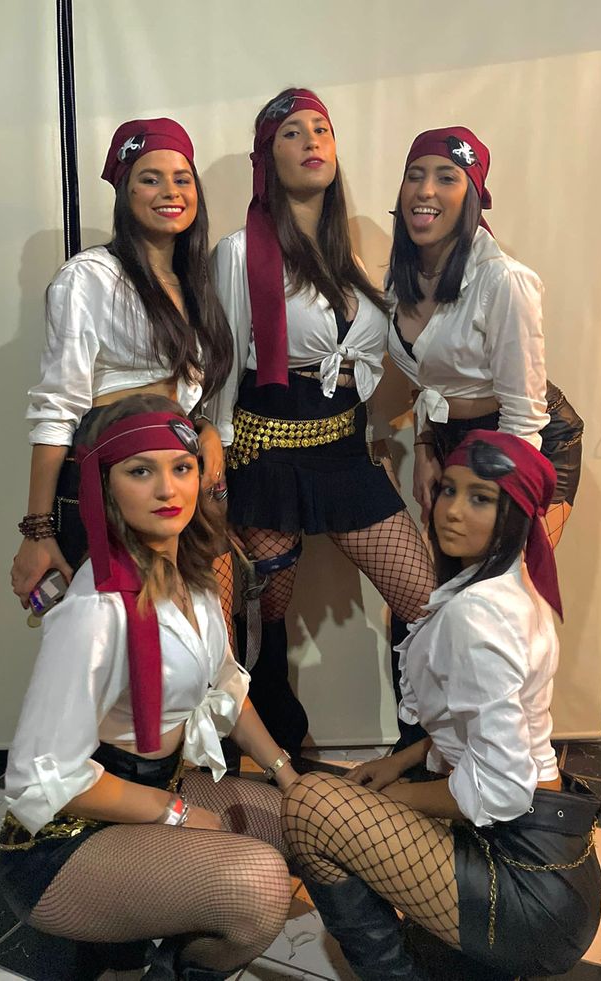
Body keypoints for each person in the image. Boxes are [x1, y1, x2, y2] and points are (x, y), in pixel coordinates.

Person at [282, 430, 601, 981]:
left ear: (518, 513)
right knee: (347, 798)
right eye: (448, 489)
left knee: (310, 808)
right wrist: (399, 762)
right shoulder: (507, 587)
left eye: (481, 498)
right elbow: (480, 719)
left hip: (526, 885)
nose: (451, 511)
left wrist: (402, 798)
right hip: (557, 856)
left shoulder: (475, 616)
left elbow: (502, 790)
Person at [0, 396, 298, 981]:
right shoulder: (94, 609)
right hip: (65, 840)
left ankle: (150, 950)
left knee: (304, 820)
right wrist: (178, 814)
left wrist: (289, 774)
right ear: (105, 487)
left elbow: (225, 688)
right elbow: (42, 779)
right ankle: (118, 945)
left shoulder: (194, 572)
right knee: (260, 883)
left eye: (181, 468)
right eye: (141, 471)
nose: (168, 488)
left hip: (154, 787)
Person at [208, 88, 434, 756]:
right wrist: (218, 466)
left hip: (342, 455)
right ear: (266, 157)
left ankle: (423, 745)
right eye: (292, 133)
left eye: (323, 129)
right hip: (267, 457)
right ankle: (270, 756)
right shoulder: (236, 252)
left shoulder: (350, 258)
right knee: (262, 620)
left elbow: (378, 363)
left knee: (424, 600)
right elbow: (222, 369)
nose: (312, 141)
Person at [10, 117, 236, 640]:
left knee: (203, 643)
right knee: (117, 647)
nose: (170, 192)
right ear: (124, 191)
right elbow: (57, 408)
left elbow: (185, 389)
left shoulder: (197, 284)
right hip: (112, 488)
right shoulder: (88, 277)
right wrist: (38, 529)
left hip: (182, 484)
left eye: (182, 178)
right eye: (150, 178)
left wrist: (201, 430)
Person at [379, 125, 583, 546]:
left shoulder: (505, 281)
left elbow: (524, 415)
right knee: (449, 588)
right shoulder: (399, 280)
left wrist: (498, 497)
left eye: (446, 177)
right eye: (414, 175)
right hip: (449, 438)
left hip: (530, 441)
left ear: (470, 196)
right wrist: (423, 447)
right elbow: (429, 378)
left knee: (504, 586)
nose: (426, 190)